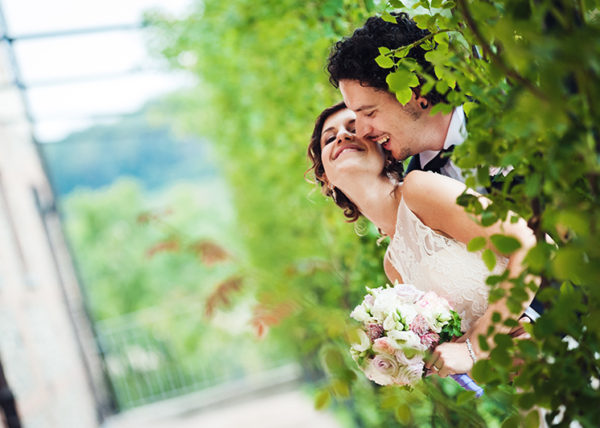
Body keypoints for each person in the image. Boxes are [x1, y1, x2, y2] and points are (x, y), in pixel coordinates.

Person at [326, 11, 544, 321]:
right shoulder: (419, 194)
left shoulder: (512, 110)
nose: (361, 131)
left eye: (368, 113)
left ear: (413, 95)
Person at [307, 103, 537, 377]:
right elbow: (469, 351)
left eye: (354, 129)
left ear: (384, 147)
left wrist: (477, 346)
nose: (343, 136)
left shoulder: (420, 189)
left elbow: (530, 244)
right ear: (325, 178)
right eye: (330, 137)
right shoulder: (393, 266)